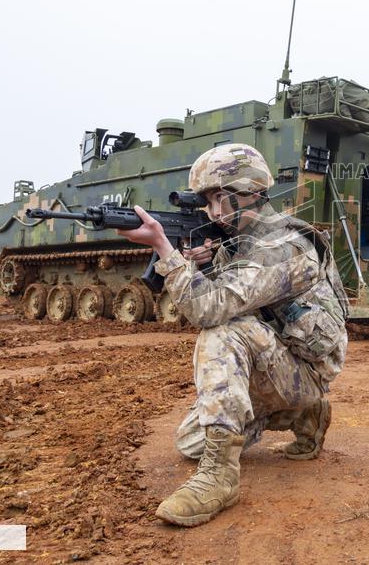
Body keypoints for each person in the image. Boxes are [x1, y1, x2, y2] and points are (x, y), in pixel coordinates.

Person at [116, 143, 349, 526]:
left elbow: (209, 309)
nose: (211, 211)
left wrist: (164, 248)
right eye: (206, 201)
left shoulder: (283, 247)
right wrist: (204, 265)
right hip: (277, 362)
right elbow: (235, 293)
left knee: (222, 333)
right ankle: (299, 413)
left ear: (244, 193)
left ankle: (219, 478)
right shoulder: (239, 243)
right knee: (190, 443)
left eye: (215, 199)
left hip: (307, 370)